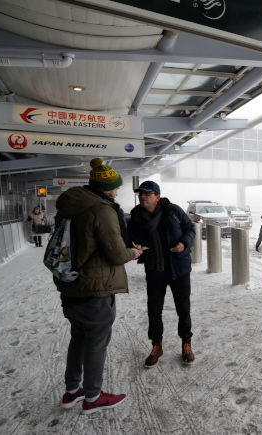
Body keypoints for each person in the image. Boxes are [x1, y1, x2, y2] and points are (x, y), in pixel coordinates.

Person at [55, 158, 142, 415]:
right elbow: (116, 254)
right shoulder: (102, 210)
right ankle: (92, 397)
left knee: (78, 338)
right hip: (95, 288)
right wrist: (134, 252)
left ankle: (72, 391)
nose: (117, 192)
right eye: (115, 187)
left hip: (70, 284)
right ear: (107, 188)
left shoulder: (70, 206)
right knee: (96, 343)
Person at [128, 181, 196, 368]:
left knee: (183, 308)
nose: (143, 196)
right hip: (154, 267)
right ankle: (156, 345)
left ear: (157, 196)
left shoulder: (173, 211)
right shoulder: (135, 215)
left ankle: (186, 343)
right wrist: (135, 246)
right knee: (154, 310)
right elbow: (130, 237)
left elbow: (190, 229)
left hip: (178, 268)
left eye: (148, 193)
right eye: (141, 193)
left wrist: (183, 242)